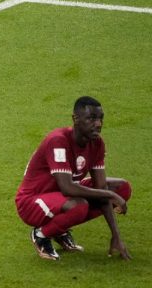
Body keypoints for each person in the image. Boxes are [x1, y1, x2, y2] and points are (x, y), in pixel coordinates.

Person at [15, 96, 132, 261]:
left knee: (121, 188)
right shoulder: (58, 141)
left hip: (61, 197)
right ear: (75, 119)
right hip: (31, 202)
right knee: (80, 205)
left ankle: (59, 229)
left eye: (100, 119)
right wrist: (110, 196)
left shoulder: (97, 143)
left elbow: (102, 188)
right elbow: (67, 187)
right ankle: (41, 234)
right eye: (91, 118)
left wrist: (116, 235)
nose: (98, 124)